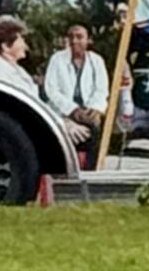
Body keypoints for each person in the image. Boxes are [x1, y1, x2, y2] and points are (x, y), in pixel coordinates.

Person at [41, 20, 111, 168]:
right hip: (62, 112)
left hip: (86, 110)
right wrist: (72, 109)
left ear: (88, 40)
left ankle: (91, 170)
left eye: (79, 37)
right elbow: (51, 90)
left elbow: (101, 89)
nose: (74, 41)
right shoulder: (57, 59)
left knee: (96, 127)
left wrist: (95, 108)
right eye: (71, 37)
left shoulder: (96, 60)